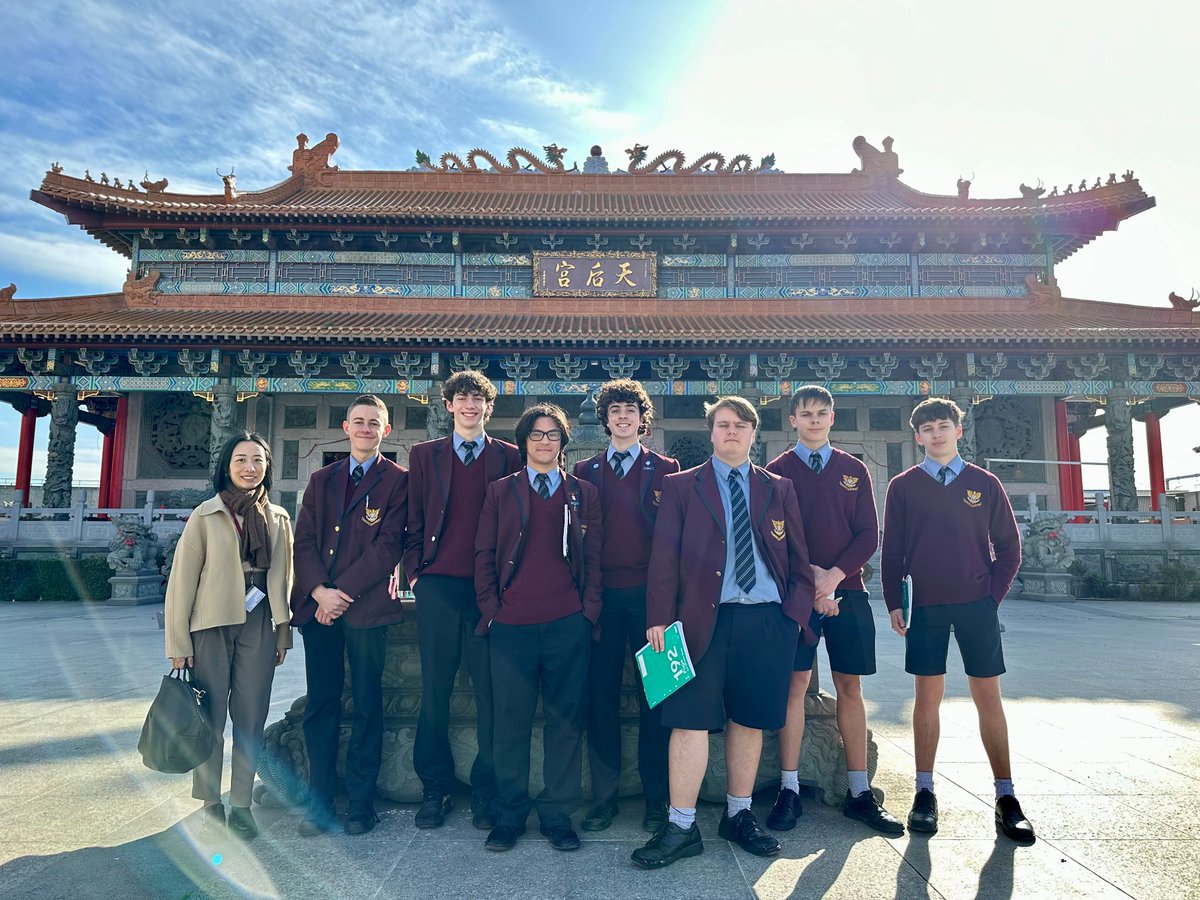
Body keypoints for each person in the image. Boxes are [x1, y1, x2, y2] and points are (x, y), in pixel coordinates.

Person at [632, 396, 816, 870]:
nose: (731, 432)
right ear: (711, 432)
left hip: (765, 620)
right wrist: (658, 617)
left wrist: (792, 618)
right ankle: (680, 825)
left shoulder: (779, 488)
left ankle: (739, 814)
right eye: (722, 425)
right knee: (688, 721)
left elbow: (798, 558)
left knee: (749, 721)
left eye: (740, 425)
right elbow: (664, 557)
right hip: (699, 622)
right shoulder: (682, 486)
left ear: (754, 432)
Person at [881, 397, 1034, 842]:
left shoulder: (984, 483)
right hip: (925, 605)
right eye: (927, 428)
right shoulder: (904, 486)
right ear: (918, 437)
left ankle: (1006, 796)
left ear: (958, 430)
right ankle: (924, 791)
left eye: (943, 426)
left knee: (988, 696)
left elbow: (1009, 548)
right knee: (926, 697)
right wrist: (894, 601)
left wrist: (990, 598)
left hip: (975, 605)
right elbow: (893, 550)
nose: (936, 434)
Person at [765, 386, 903, 835]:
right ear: (792, 420)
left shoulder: (853, 469)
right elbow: (774, 537)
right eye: (806, 414)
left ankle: (859, 791)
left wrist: (835, 576)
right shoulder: (776, 472)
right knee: (794, 686)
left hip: (849, 592)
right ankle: (789, 788)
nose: (814, 420)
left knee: (850, 686)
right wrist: (812, 582)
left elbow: (867, 533)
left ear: (832, 417)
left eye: (822, 413)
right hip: (796, 595)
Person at [474, 403, 603, 853]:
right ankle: (509, 813)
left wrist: (587, 611)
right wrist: (492, 609)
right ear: (523, 442)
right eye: (536, 434)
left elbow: (595, 558)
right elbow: (483, 555)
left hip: (568, 623)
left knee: (565, 723)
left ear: (563, 442)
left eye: (552, 435)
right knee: (510, 724)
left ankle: (557, 814)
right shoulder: (500, 492)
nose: (544, 441)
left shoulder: (583, 493)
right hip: (512, 626)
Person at [404, 370, 520, 830]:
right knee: (435, 690)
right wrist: (417, 575)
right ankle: (435, 787)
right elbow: (413, 518)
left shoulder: (509, 456)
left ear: (489, 408)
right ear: (449, 405)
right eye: (462, 398)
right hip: (438, 586)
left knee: (490, 693)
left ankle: (486, 790)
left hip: (488, 590)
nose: (470, 406)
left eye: (479, 399)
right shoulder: (424, 455)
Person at [164, 431, 294, 840]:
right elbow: (181, 583)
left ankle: (241, 805)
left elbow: (284, 578)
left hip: (260, 623)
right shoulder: (206, 515)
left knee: (251, 717)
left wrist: (283, 633)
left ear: (267, 467)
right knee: (210, 718)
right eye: (241, 460)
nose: (249, 468)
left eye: (257, 460)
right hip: (211, 624)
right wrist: (178, 643)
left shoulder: (278, 517)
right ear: (227, 466)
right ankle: (210, 804)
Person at [291, 394, 407, 837]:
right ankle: (319, 801)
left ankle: (361, 802)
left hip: (367, 609)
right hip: (319, 609)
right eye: (358, 421)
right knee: (321, 704)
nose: (365, 428)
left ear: (385, 431)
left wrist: (342, 593)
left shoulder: (398, 480)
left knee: (367, 704)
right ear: (346, 427)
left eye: (373, 423)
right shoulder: (322, 479)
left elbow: (389, 546)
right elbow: (304, 541)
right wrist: (320, 592)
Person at [573, 378, 679, 834]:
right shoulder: (585, 470)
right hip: (601, 600)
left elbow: (673, 543)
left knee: (659, 699)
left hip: (651, 602)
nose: (622, 417)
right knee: (601, 700)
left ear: (642, 419)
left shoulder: (667, 469)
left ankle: (658, 798)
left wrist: (665, 609)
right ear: (605, 419)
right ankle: (604, 798)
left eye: (630, 410)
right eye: (614, 410)